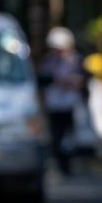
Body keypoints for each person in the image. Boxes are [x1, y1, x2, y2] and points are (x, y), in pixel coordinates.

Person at [37, 26, 84, 175]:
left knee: (69, 139)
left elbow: (82, 81)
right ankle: (60, 166)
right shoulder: (49, 61)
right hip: (54, 106)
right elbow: (43, 81)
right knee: (55, 138)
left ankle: (68, 166)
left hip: (71, 106)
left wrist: (66, 81)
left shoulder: (77, 61)